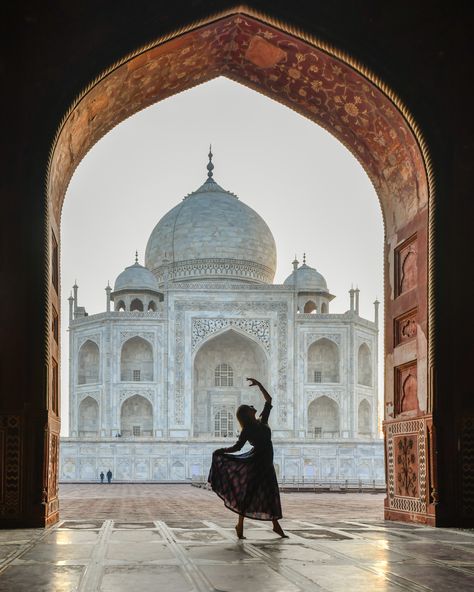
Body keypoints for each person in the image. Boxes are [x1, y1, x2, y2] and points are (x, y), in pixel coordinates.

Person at [208, 377, 288, 539]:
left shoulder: (262, 421)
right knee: (252, 493)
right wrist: (222, 451)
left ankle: (274, 525)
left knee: (270, 493)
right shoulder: (248, 430)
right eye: (250, 407)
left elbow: (269, 400)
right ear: (246, 414)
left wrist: (259, 385)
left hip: (266, 461)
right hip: (257, 462)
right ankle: (242, 525)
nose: (253, 407)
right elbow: (238, 447)